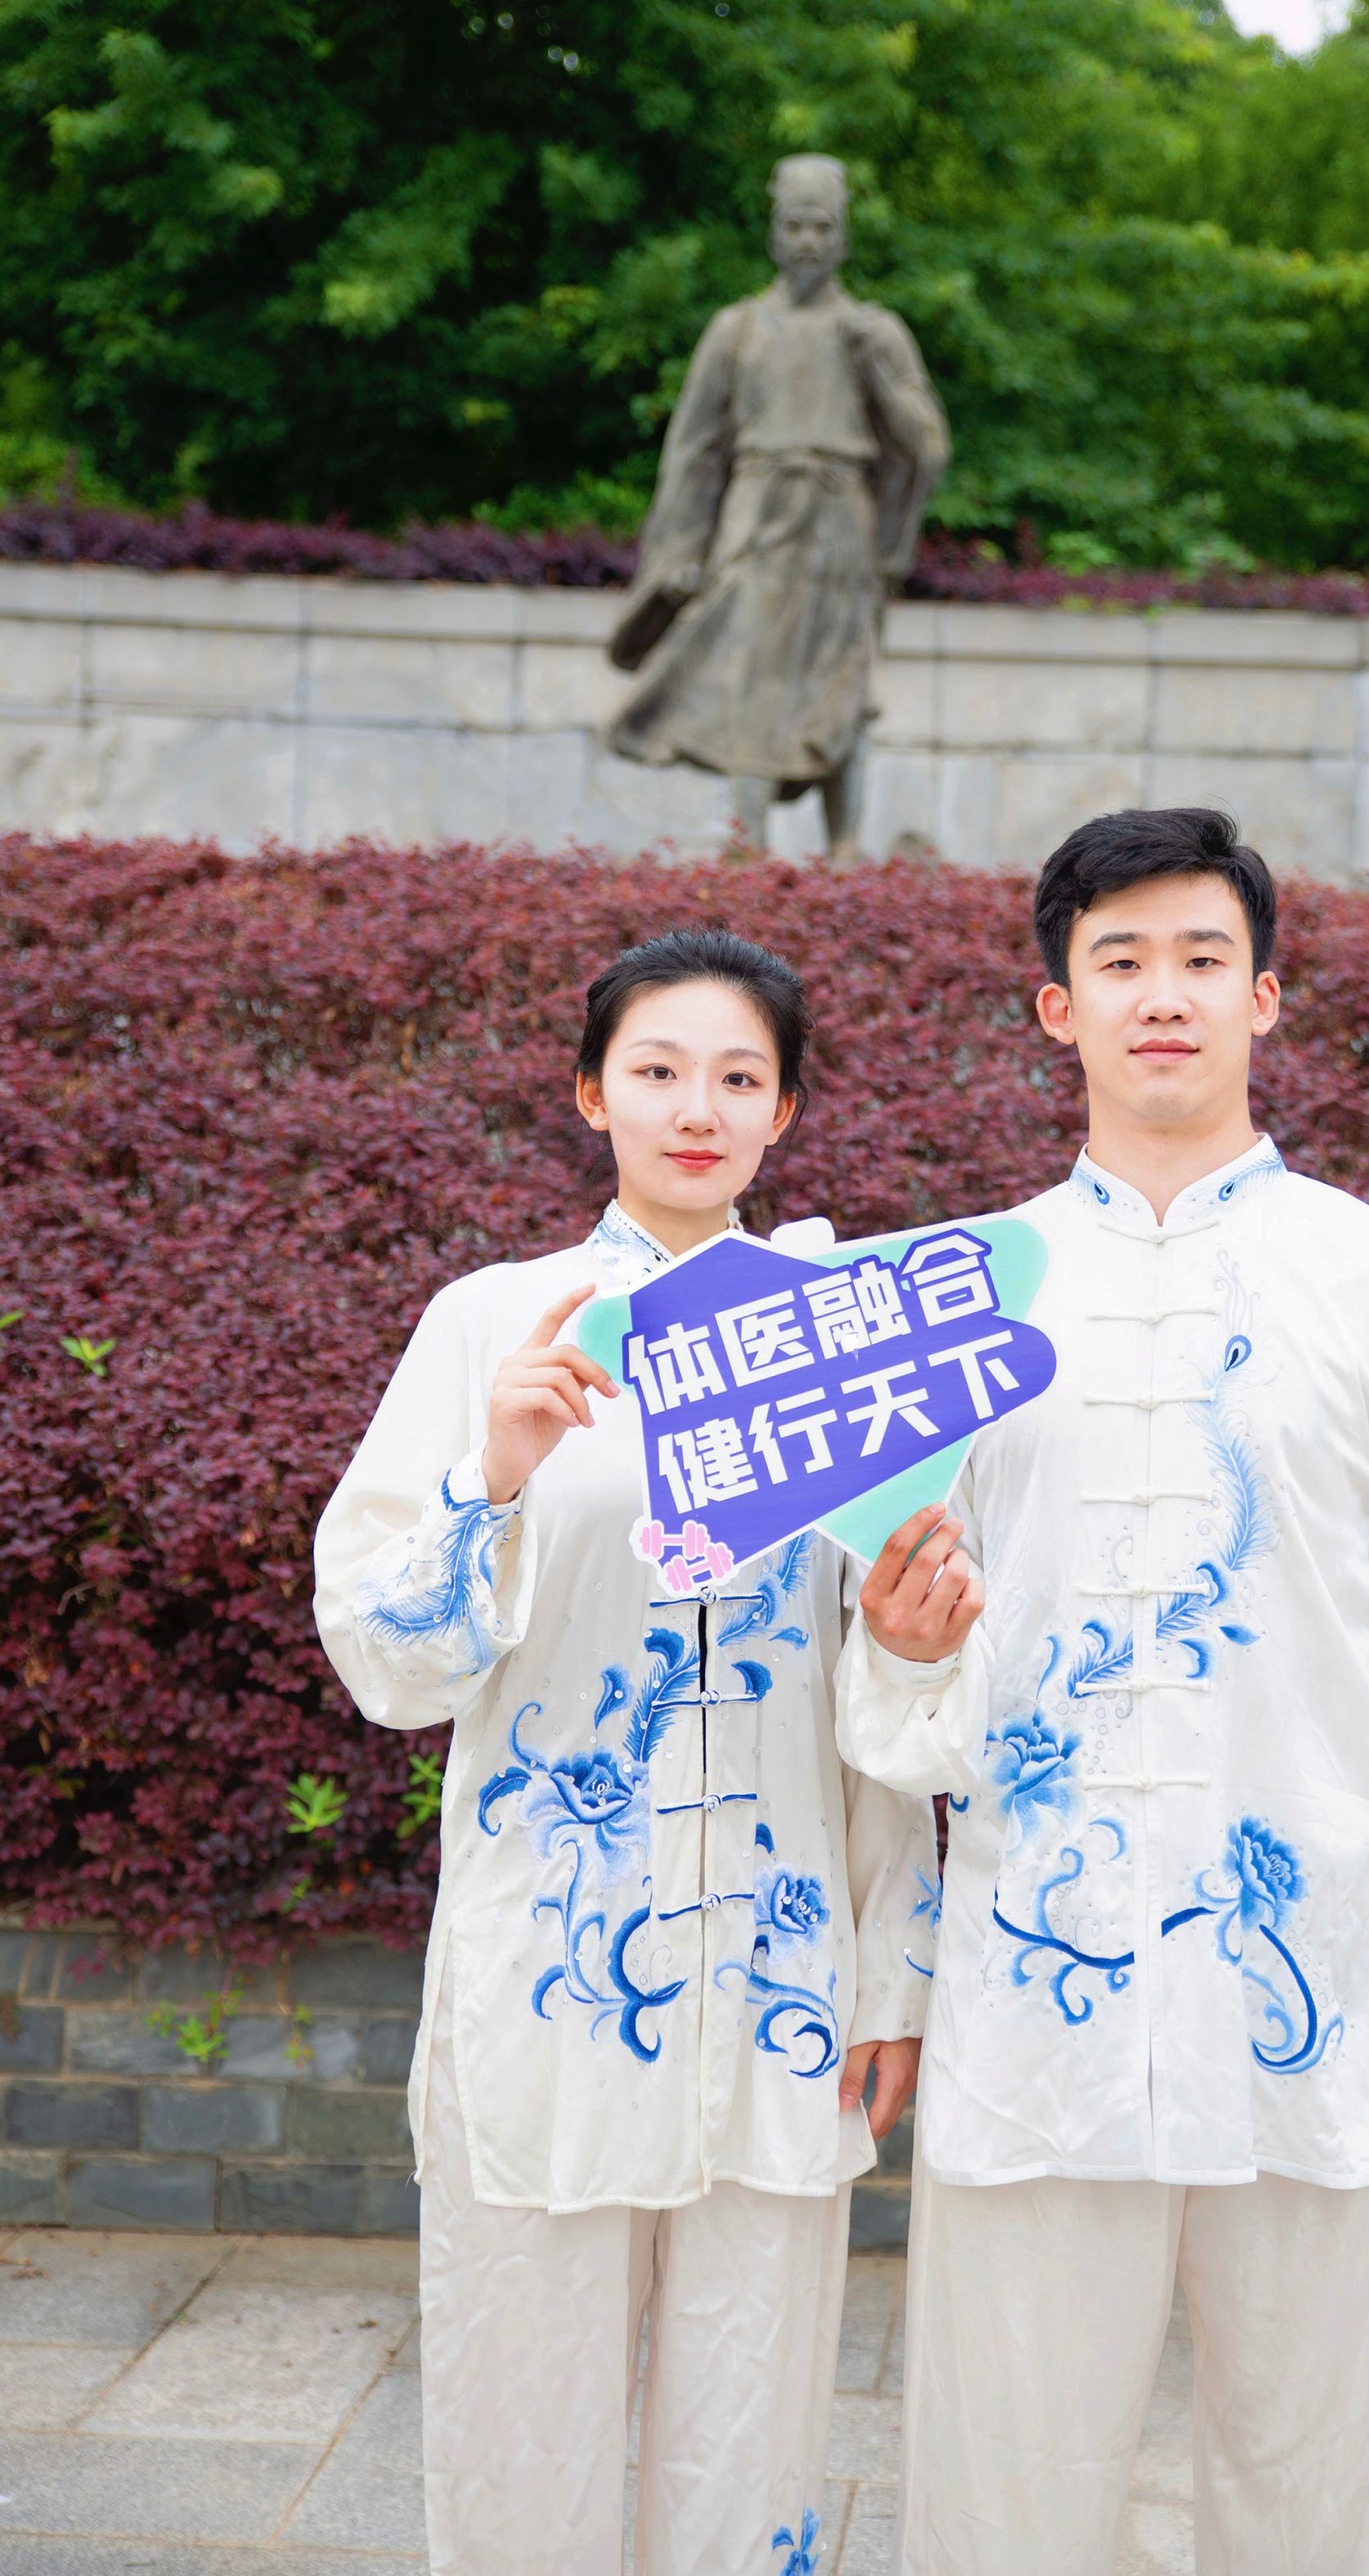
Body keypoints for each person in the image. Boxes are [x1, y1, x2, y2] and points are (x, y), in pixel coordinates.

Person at [840, 807, 1369, 2576]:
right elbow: (901, 1614)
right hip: (1038, 1958)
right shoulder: (956, 1298)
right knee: (1004, 2458)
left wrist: (1311, 1780)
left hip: (1302, 1952)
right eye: (1120, 960)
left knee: (1316, 2449)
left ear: (1264, 997)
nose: (1164, 995)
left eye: (1202, 958)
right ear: (1054, 1006)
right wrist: (915, 1662)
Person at [314, 928, 934, 2576]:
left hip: (781, 1967)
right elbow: (382, 1657)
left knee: (752, 2427)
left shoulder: (842, 1339)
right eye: (657, 1069)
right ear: (593, 1093)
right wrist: (493, 1476)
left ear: (784, 1109)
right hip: (552, 1964)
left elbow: (879, 1680)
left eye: (738, 1076)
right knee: (521, 2423)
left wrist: (894, 1966)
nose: (695, 1108)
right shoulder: (490, 1323)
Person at [605, 152, 949, 852]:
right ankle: (749, 840)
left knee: (843, 679)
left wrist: (879, 374)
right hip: (757, 514)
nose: (808, 241)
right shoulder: (736, 329)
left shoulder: (875, 332)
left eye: (822, 227)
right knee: (754, 671)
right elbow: (694, 452)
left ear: (843, 238)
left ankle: (845, 845)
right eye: (795, 225)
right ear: (773, 234)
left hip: (841, 518)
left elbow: (926, 446)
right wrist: (682, 547)